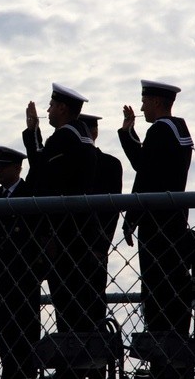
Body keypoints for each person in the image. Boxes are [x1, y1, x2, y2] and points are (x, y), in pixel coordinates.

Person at [118, 80, 195, 378]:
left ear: (157, 102)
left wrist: (132, 216)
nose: (141, 107)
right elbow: (151, 165)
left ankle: (163, 362)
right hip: (174, 221)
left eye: (144, 101)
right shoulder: (179, 130)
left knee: (157, 292)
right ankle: (174, 361)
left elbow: (145, 172)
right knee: (172, 290)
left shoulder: (161, 130)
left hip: (157, 223)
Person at [22, 83, 98, 377]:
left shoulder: (65, 139)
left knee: (69, 309)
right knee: (79, 309)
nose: (48, 110)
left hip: (64, 236)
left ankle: (73, 369)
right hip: (79, 236)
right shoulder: (81, 137)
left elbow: (42, 176)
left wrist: (32, 132)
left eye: (52, 105)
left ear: (63, 108)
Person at [0, 146, 42, 379]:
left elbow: (40, 238)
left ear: (17, 167)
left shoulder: (31, 194)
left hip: (24, 278)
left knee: (26, 336)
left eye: (3, 166)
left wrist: (37, 272)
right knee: (3, 335)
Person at [78, 113, 122, 322]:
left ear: (95, 133)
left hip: (94, 245)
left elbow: (111, 211)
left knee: (94, 305)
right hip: (66, 246)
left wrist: (101, 245)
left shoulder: (110, 165)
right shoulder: (68, 164)